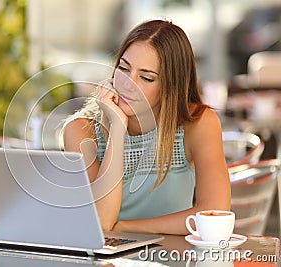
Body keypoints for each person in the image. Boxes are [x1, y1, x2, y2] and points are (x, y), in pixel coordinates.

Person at [62, 19, 230, 235]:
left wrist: (125, 228)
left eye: (146, 77)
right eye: (123, 68)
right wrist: (116, 128)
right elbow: (101, 222)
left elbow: (214, 213)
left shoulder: (198, 123)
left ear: (171, 85)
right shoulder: (80, 130)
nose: (127, 84)